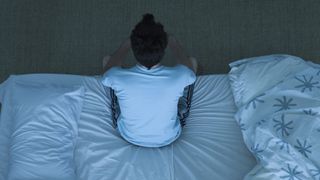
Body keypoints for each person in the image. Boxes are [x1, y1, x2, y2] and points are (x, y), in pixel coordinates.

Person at [101, 13, 199, 148]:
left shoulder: (115, 77)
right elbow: (190, 71)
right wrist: (174, 43)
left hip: (129, 135)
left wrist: (126, 45)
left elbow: (107, 71)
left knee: (108, 63)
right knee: (192, 64)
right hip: (170, 136)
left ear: (133, 48)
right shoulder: (180, 75)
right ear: (164, 48)